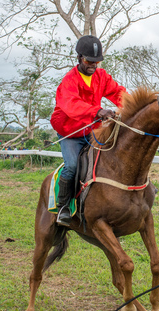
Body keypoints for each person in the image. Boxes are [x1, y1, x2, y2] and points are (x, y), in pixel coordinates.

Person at [49, 35, 126, 226]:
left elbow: (118, 93)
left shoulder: (102, 76)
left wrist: (133, 106)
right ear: (79, 57)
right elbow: (71, 105)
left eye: (96, 62)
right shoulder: (69, 80)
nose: (93, 65)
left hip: (92, 129)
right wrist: (98, 111)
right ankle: (64, 207)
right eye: (88, 61)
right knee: (73, 166)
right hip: (70, 132)